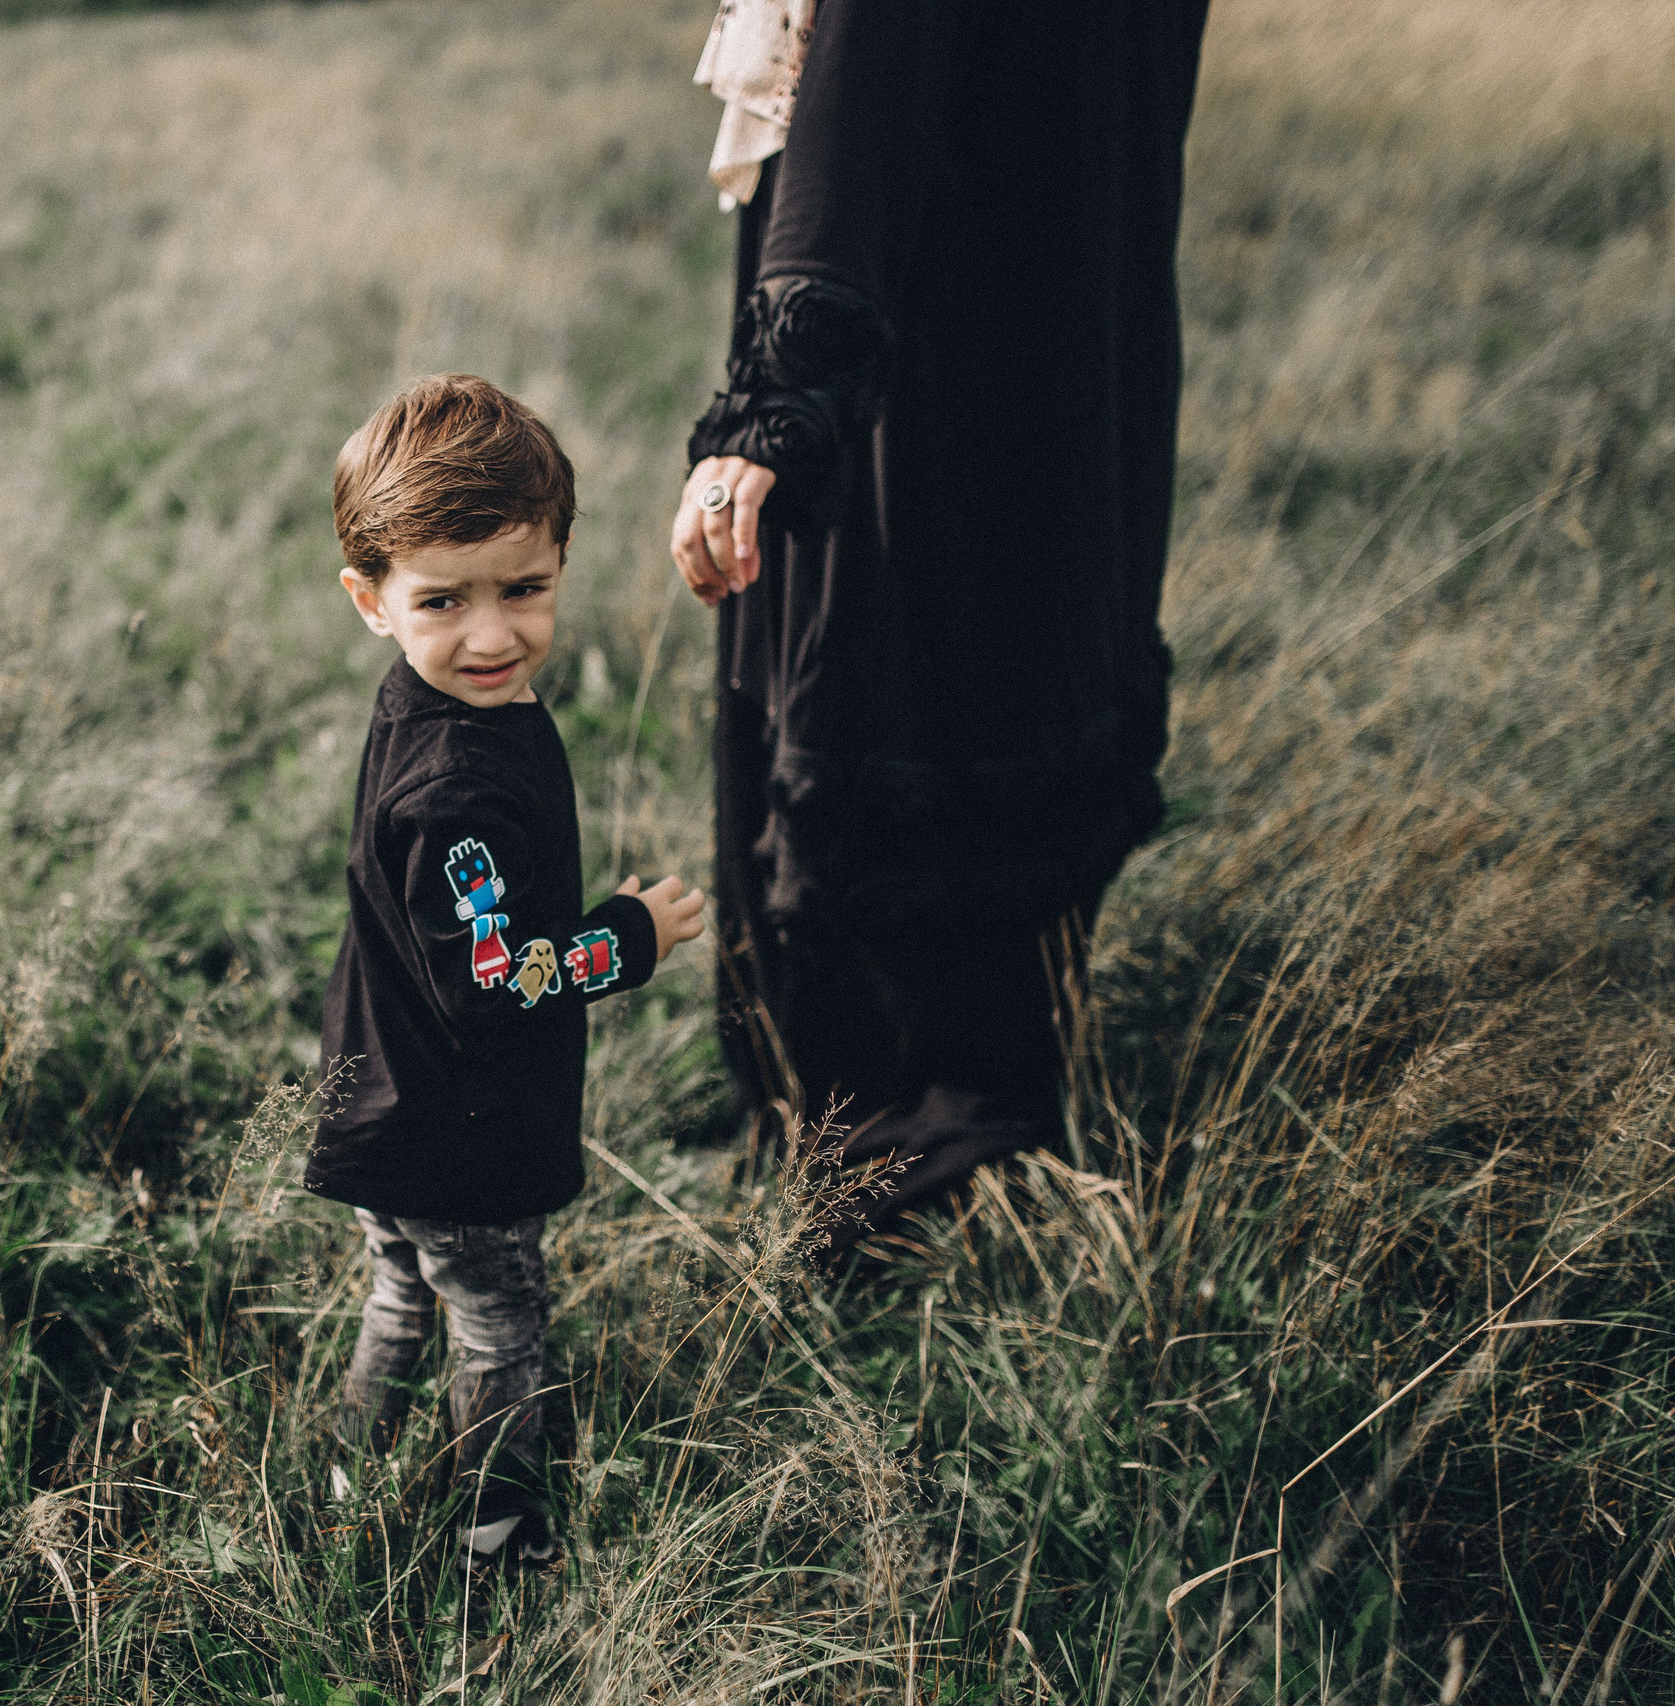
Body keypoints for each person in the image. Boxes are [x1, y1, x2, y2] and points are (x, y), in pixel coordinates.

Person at [669, 0, 1212, 1237]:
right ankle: (966, 1112)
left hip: (925, 333)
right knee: (1025, 629)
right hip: (1068, 312)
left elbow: (873, 82)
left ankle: (901, 1144)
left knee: (901, 649)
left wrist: (781, 409)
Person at [307, 374, 706, 1600]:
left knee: (399, 1285)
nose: (491, 636)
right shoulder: (460, 793)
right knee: (497, 1325)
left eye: (522, 589)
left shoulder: (431, 703)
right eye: (443, 601)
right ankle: (501, 1535)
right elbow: (497, 984)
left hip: (383, 1096)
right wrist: (625, 936)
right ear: (370, 601)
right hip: (457, 1125)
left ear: (562, 558)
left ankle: (344, 1468)